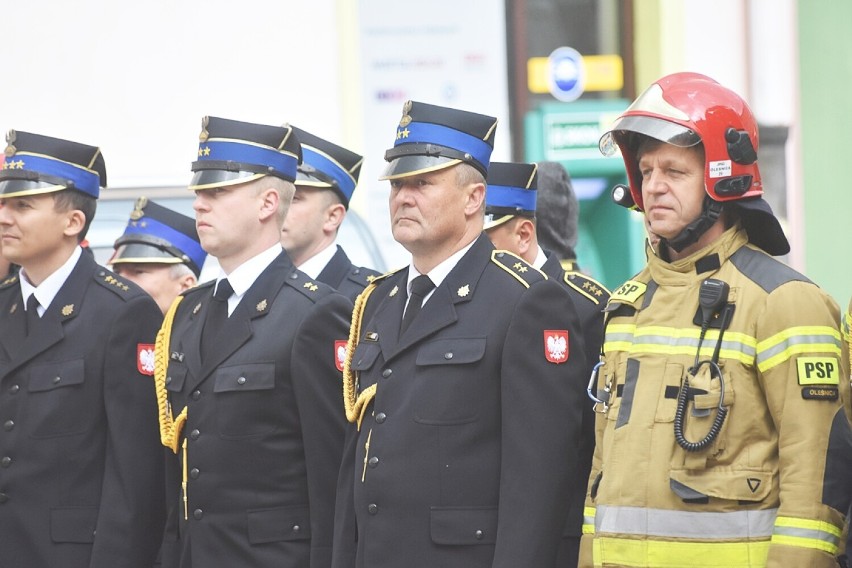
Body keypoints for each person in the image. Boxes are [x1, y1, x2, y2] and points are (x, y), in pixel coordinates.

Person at [581, 72, 852, 567]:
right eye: (645, 171)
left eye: (674, 172)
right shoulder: (626, 306)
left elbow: (815, 484)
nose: (654, 187)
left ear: (723, 179)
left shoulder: (785, 302)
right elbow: (601, 479)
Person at [332, 101, 587, 568]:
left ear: (474, 199)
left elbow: (539, 481)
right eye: (397, 184)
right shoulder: (379, 301)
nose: (402, 197)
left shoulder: (524, 301)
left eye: (422, 183)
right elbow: (357, 468)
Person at [154, 116, 352, 568]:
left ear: (267, 202)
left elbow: (332, 483)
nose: (199, 205)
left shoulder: (316, 314)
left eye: (217, 192)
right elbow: (180, 473)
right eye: (199, 192)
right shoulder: (190, 310)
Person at [0, 130, 166, 567]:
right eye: (2, 203)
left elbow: (136, 479)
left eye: (22, 205)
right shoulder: (4, 305)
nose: (4, 216)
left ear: (73, 222)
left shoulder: (122, 314)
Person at [482, 160, 608, 568]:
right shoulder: (477, 302)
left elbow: (590, 435)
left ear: (522, 234)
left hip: (562, 532)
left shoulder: (585, 306)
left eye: (483, 239)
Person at [281, 127, 380, 301]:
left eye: (294, 198)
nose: (277, 208)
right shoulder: (261, 285)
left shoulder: (368, 296)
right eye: (277, 197)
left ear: (332, 217)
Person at [110, 198, 207, 313]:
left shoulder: (209, 330)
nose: (119, 280)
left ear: (185, 285)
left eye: (138, 271)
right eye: (117, 272)